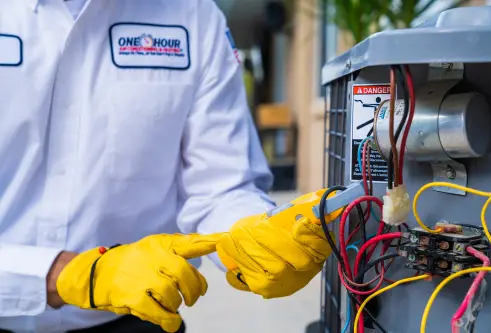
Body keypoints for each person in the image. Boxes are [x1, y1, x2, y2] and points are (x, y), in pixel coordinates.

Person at [0, 1, 334, 333]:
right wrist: (59, 274)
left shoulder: (193, 17)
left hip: (133, 318)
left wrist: (256, 235)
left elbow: (219, 187)